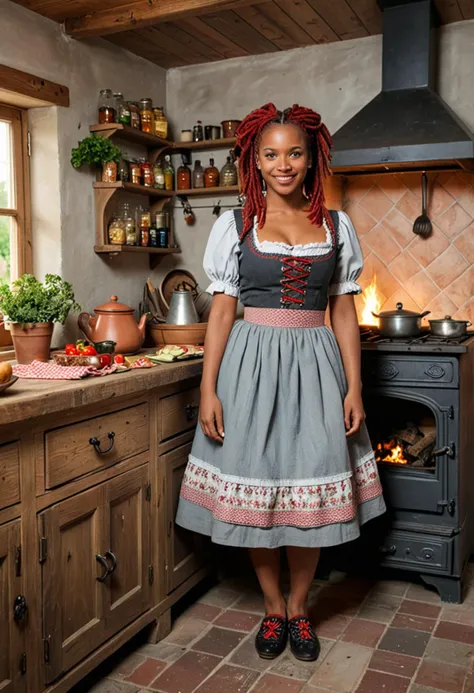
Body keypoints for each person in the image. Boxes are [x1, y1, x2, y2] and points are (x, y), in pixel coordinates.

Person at [176, 103, 386, 662]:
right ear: (255, 159)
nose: (283, 164)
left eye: (294, 152)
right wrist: (208, 387)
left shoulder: (337, 226)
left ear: (312, 157)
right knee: (258, 484)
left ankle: (300, 607)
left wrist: (354, 387)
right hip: (250, 366)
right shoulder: (236, 223)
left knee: (308, 487)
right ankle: (272, 608)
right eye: (271, 154)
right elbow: (222, 311)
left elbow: (343, 311)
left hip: (317, 364)